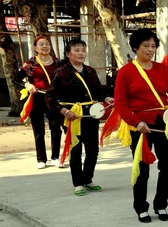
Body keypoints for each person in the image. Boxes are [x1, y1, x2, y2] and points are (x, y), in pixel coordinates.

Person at [114, 29, 168, 223]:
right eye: (146, 46)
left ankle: (161, 204)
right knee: (142, 168)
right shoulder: (126, 72)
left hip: (163, 121)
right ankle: (141, 207)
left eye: (153, 46)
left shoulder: (162, 69)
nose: (150, 49)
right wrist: (136, 122)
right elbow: (120, 103)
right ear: (136, 47)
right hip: (140, 125)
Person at [47, 39, 113, 195]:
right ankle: (78, 183)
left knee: (93, 149)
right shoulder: (61, 72)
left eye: (83, 50)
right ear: (68, 54)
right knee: (75, 149)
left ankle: (87, 179)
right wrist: (64, 111)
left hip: (90, 114)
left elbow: (99, 91)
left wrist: (107, 98)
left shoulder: (90, 71)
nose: (81, 53)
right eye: (76, 50)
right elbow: (50, 97)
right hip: (72, 115)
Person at [15, 36, 64, 169]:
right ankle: (41, 159)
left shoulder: (58, 63)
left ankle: (55, 157)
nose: (45, 46)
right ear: (36, 48)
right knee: (38, 129)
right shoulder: (30, 63)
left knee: (56, 128)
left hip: (53, 99)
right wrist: (28, 85)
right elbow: (17, 79)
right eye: (41, 44)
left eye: (47, 44)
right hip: (37, 98)